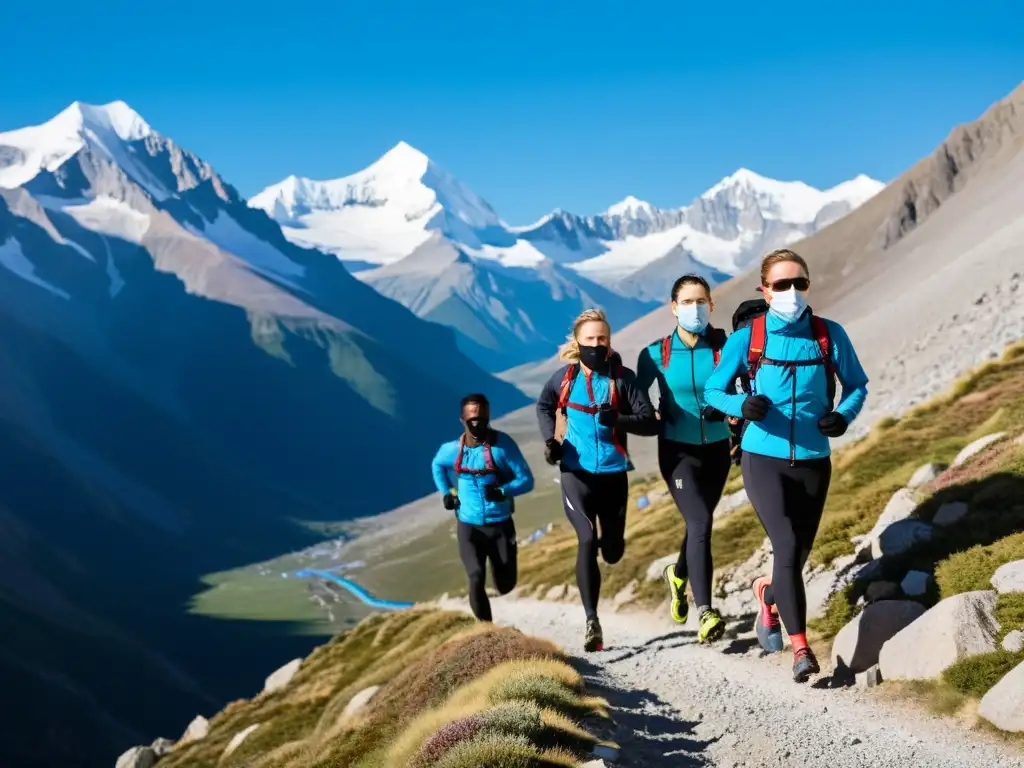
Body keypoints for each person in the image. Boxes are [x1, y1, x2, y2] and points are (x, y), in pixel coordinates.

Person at [704, 249, 868, 682]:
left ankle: (766, 593)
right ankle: (801, 649)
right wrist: (742, 403)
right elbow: (712, 391)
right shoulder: (749, 339)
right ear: (765, 289)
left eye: (799, 283)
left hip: (815, 459)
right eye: (781, 285)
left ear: (808, 286)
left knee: (794, 558)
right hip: (763, 458)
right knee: (788, 547)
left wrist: (843, 417)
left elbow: (857, 386)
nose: (791, 292)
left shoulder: (829, 335)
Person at [536, 309, 658, 652]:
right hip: (575, 474)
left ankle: (612, 546)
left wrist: (618, 418)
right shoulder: (563, 379)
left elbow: (649, 422)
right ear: (578, 342)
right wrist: (551, 441)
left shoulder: (623, 378)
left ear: (609, 341)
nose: (596, 344)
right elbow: (544, 406)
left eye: (602, 339)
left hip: (614, 474)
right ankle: (592, 621)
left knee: (613, 551)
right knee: (586, 539)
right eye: (589, 339)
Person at [635, 274, 732, 644]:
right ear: (674, 307)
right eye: (687, 302)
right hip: (677, 452)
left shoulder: (726, 346)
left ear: (711, 305)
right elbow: (633, 401)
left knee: (698, 525)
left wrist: (729, 411)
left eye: (701, 301)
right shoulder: (654, 354)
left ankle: (678, 574)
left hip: (719, 449)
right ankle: (705, 611)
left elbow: (747, 386)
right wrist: (648, 418)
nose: (695, 308)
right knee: (702, 520)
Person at [431, 393, 535, 623]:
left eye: (482, 420)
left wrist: (502, 491)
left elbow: (526, 480)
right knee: (475, 577)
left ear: (489, 419)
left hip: (501, 526)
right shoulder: (452, 451)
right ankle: (487, 630)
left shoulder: (503, 447)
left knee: (506, 585)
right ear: (462, 421)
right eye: (472, 421)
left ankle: (502, 588)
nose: (477, 425)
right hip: (469, 527)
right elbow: (437, 465)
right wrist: (447, 493)